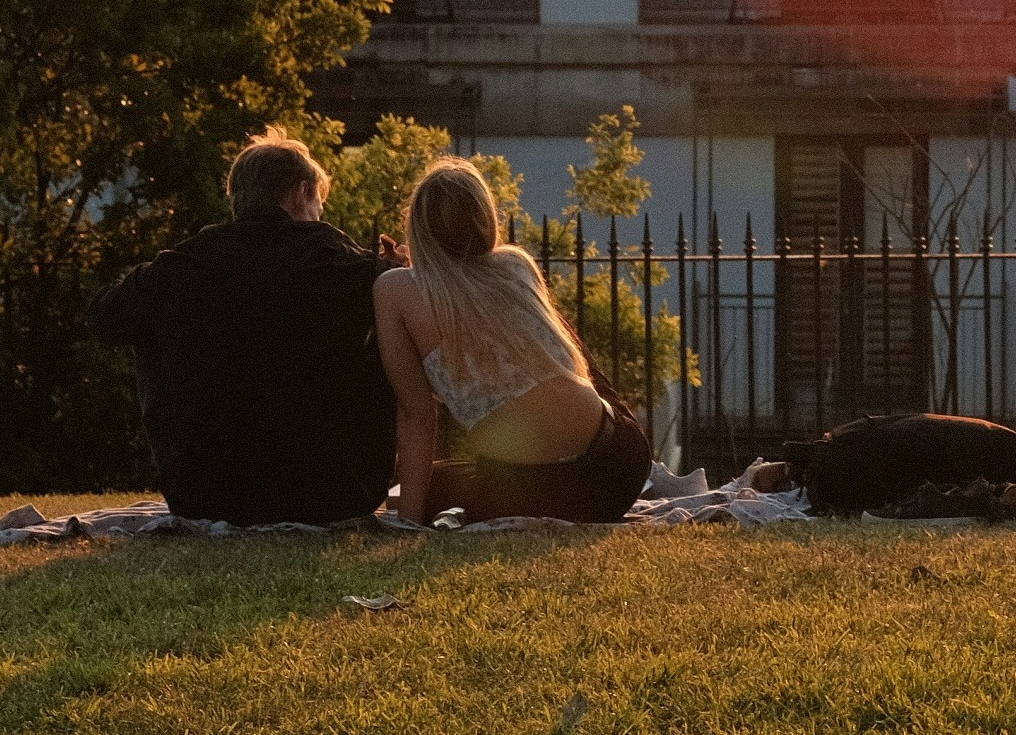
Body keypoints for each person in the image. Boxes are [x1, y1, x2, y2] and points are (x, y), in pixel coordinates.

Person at [91, 129, 402, 524]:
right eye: (319, 201)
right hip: (334, 493)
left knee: (150, 315)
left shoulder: (179, 268)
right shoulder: (348, 267)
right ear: (301, 192)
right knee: (389, 317)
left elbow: (104, 317)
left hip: (203, 495)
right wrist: (394, 274)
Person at [376, 154, 650, 524]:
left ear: (419, 228)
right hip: (617, 470)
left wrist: (410, 520)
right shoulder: (516, 265)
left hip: (529, 491)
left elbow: (417, 416)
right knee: (569, 354)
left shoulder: (394, 289)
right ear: (485, 218)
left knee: (436, 484)